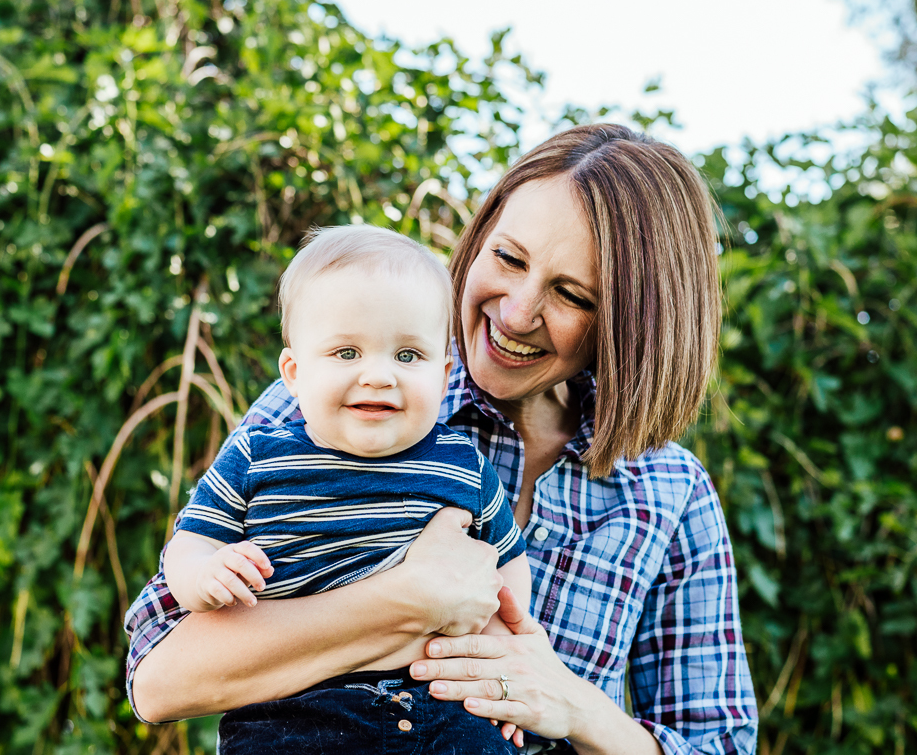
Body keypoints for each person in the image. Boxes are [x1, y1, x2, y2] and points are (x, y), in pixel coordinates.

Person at [126, 124, 758, 755]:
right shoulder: (334, 401)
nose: (516, 313)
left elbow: (719, 745)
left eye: (571, 295)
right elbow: (158, 681)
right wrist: (401, 603)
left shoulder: (670, 491)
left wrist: (575, 706)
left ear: (632, 324)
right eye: (508, 258)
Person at [162, 225, 532, 751]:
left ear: (444, 373)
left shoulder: (463, 464)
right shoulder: (257, 456)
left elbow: (507, 564)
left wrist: (499, 665)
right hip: (291, 711)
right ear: (294, 372)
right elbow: (190, 544)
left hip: (439, 708)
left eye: (408, 356)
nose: (379, 376)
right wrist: (203, 573)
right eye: (346, 353)